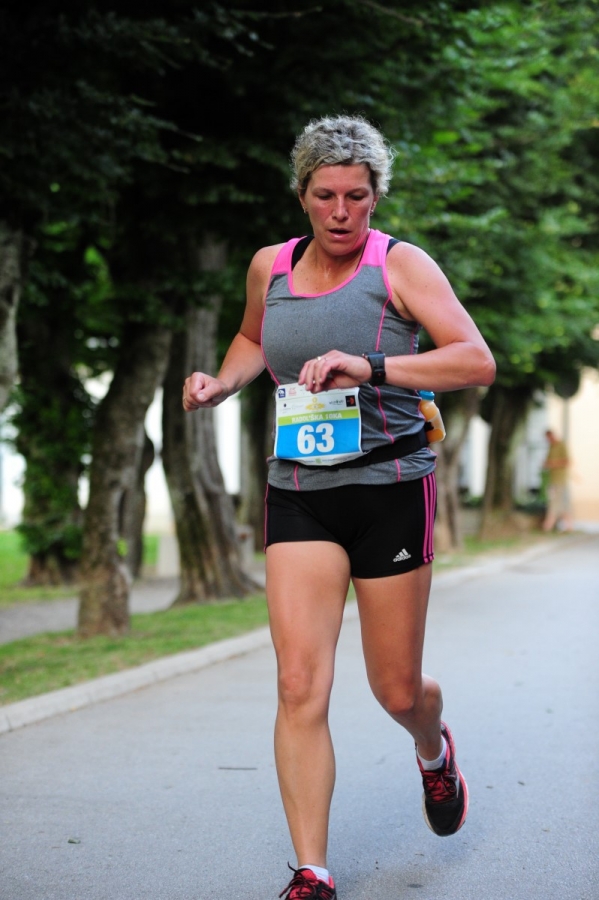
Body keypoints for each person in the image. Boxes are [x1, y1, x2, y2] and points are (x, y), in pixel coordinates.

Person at [183, 114, 496, 900]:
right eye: (325, 195)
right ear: (302, 194)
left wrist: (372, 365)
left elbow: (474, 360)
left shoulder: (400, 265)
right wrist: (222, 384)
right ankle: (312, 871)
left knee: (396, 690)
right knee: (298, 684)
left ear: (375, 196)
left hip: (390, 488)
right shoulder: (270, 266)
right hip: (299, 491)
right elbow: (253, 338)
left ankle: (432, 748)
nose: (340, 211)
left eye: (356, 195)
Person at [542, 429, 573, 532]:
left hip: (560, 479)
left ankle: (548, 525)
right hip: (552, 479)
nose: (548, 440)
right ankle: (569, 525)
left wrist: (552, 463)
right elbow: (548, 461)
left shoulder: (561, 445)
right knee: (559, 502)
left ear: (553, 436)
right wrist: (546, 464)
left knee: (555, 502)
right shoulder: (551, 447)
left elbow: (567, 461)